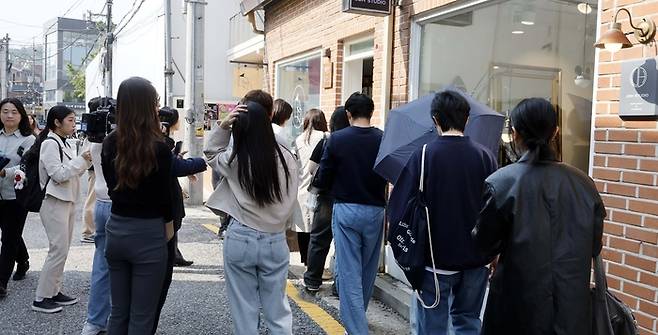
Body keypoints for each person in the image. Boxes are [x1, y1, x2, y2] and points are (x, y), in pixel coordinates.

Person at [472, 98, 605, 335]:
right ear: (555, 132)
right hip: (571, 309)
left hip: (516, 307)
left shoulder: (502, 182)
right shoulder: (584, 184)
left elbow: (483, 245)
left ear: (514, 133)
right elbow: (594, 246)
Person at [388, 91, 498, 334]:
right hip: (476, 259)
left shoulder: (425, 154)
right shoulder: (485, 156)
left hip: (434, 260)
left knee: (432, 325)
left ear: (435, 119)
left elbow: (398, 206)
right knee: (468, 321)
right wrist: (494, 250)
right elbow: (494, 209)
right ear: (467, 119)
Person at [204, 100, 299, 334]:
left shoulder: (235, 159)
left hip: (241, 236)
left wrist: (223, 126)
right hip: (275, 238)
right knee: (277, 310)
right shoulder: (287, 157)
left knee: (244, 311)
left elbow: (210, 152)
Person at [101, 77, 173, 334]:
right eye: (155, 102)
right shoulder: (160, 148)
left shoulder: (110, 142)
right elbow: (165, 198)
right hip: (148, 233)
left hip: (116, 229)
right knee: (142, 317)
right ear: (147, 106)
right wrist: (169, 226)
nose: (157, 108)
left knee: (118, 312)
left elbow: (112, 188)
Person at [314, 92, 387, 334]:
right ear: (372, 112)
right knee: (367, 270)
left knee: (349, 272)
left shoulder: (337, 139)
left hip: (346, 209)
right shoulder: (383, 139)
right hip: (376, 210)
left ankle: (356, 329)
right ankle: (358, 320)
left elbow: (323, 177)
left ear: (348, 114)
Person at [152, 106, 207, 334]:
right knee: (157, 281)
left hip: (129, 224)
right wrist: (193, 162)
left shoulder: (120, 140)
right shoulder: (159, 144)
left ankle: (173, 253)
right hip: (159, 215)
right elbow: (172, 168)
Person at [33, 105, 93, 313]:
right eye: (69, 120)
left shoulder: (64, 142)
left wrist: (82, 161)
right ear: (56, 122)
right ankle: (41, 298)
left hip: (65, 201)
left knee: (63, 249)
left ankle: (54, 291)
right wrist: (82, 161)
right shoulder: (50, 143)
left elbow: (72, 170)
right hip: (53, 201)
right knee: (57, 249)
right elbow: (58, 174)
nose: (73, 123)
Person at [303, 106, 349, 292]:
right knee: (344, 243)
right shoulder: (352, 141)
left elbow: (311, 169)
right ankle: (339, 285)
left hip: (326, 196)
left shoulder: (327, 141)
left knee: (319, 239)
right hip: (347, 197)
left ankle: (313, 279)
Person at [81, 97, 115, 335]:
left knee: (101, 265)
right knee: (126, 266)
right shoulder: (118, 140)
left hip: (101, 206)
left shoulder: (92, 140)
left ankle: (94, 321)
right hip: (119, 207)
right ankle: (118, 318)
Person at [0, 98, 36, 298]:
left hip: (16, 196)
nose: (9, 115)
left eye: (14, 111)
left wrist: (5, 173)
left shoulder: (28, 139)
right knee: (10, 233)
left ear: (21, 115)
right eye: (5, 111)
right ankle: (23, 260)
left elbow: (27, 167)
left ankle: (1, 282)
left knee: (8, 238)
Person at [294, 109, 328, 266]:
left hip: (301, 189)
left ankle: (305, 262)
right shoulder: (326, 137)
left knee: (304, 229)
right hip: (320, 190)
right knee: (318, 233)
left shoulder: (298, 139)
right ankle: (314, 266)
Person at [81, 97, 104, 244]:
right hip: (95, 170)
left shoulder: (95, 127)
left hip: (97, 169)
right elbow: (87, 153)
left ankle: (90, 231)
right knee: (92, 201)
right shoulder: (94, 129)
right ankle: (87, 232)